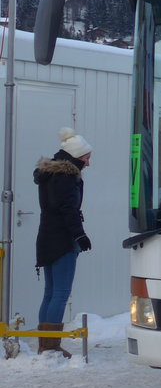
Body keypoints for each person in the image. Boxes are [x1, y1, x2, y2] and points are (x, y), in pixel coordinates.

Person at [33, 127, 93, 358]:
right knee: (60, 293)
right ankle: (50, 346)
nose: (88, 163)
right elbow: (68, 210)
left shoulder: (50, 175)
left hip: (47, 236)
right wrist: (80, 236)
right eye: (86, 158)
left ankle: (45, 345)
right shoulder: (67, 178)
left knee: (50, 292)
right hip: (62, 239)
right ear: (76, 156)